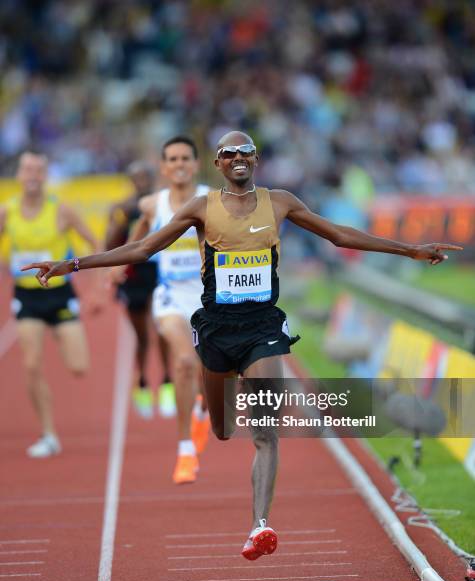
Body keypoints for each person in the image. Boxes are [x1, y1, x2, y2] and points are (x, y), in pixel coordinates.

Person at [23, 131, 462, 557]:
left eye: (246, 151)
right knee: (223, 430)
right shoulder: (202, 207)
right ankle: (207, 415)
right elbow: (142, 250)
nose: (238, 157)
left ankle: (260, 525)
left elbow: (340, 235)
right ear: (218, 163)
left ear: (255, 159)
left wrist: (409, 250)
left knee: (265, 431)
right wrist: (73, 264)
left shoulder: (280, 202)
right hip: (215, 329)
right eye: (229, 152)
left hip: (263, 329)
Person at [0, 151, 100, 457]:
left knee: (79, 366)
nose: (32, 175)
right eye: (27, 169)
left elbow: (94, 244)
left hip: (59, 296)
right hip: (26, 297)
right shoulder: (8, 211)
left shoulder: (62, 211)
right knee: (31, 365)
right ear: (19, 174)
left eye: (38, 170)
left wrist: (96, 290)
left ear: (45, 175)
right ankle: (48, 434)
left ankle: (60, 330)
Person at [131, 136, 211, 484]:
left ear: (195, 164)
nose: (179, 164)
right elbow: (139, 238)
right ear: (163, 167)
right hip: (170, 299)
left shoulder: (213, 200)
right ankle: (184, 450)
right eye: (172, 159)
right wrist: (119, 269)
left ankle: (202, 411)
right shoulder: (153, 204)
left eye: (185, 158)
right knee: (183, 362)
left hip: (210, 301)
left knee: (213, 379)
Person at [105, 160, 164, 419]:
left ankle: (168, 381)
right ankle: (141, 382)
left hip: (161, 272)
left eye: (145, 176)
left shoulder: (163, 204)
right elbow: (110, 243)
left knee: (162, 327)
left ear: (152, 178)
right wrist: (119, 220)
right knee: (142, 336)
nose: (141, 181)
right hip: (134, 275)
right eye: (136, 177)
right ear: (130, 181)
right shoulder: (123, 209)